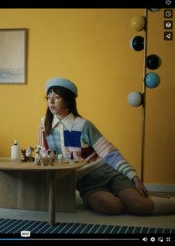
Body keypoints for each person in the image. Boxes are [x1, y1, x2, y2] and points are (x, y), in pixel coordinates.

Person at [37, 77, 175, 215]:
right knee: (112, 207)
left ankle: (155, 201)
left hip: (109, 173)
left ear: (67, 100)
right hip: (86, 183)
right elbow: (43, 154)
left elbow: (110, 153)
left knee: (139, 206)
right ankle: (129, 201)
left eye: (57, 97)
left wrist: (135, 178)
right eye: (48, 97)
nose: (51, 101)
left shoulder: (83, 125)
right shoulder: (45, 125)